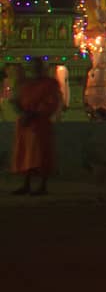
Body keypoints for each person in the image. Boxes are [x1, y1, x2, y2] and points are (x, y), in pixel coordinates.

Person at [11, 59, 63, 195]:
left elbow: (51, 103)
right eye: (33, 67)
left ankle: (42, 185)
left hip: (40, 123)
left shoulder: (49, 84)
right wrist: (22, 112)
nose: (34, 70)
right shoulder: (26, 84)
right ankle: (26, 184)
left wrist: (34, 113)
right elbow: (17, 100)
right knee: (25, 154)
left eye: (37, 67)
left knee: (41, 154)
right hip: (26, 124)